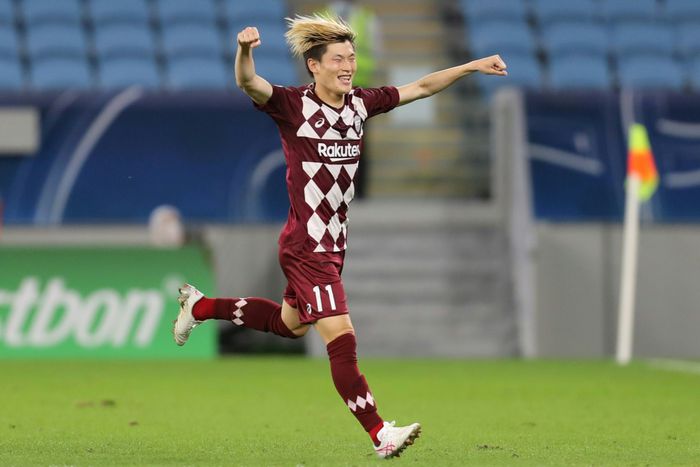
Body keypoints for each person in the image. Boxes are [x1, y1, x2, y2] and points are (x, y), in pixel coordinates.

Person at [173, 14, 506, 459]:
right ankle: (380, 433)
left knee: (290, 325)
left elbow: (422, 87)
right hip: (307, 245)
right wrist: (245, 50)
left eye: (351, 57)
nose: (348, 66)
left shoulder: (361, 103)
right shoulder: (293, 105)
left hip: (333, 244)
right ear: (314, 65)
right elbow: (249, 82)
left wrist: (471, 66)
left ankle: (200, 307)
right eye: (338, 59)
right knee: (342, 337)